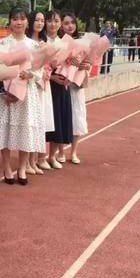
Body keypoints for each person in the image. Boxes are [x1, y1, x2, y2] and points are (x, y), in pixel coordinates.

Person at [0, 6, 45, 184]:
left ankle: (22, 168)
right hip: (5, 95)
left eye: (22, 18)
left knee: (25, 129)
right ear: (10, 22)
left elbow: (41, 71)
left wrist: (31, 74)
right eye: (15, 18)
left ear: (27, 22)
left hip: (27, 95)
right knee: (5, 129)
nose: (18, 22)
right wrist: (4, 86)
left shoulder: (34, 45)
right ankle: (7, 167)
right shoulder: (1, 44)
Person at [61, 12, 91, 164]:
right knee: (62, 117)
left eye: (72, 22)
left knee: (77, 117)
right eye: (66, 23)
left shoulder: (82, 44)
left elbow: (89, 63)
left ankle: (73, 152)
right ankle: (60, 152)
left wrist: (87, 65)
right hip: (62, 84)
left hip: (77, 85)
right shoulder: (58, 43)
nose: (70, 26)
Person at [45, 10, 73, 168]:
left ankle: (52, 156)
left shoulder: (65, 43)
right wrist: (51, 77)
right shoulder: (41, 41)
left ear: (60, 23)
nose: (52, 24)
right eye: (49, 21)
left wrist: (70, 75)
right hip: (46, 84)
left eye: (56, 21)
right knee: (46, 120)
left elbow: (70, 64)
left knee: (58, 120)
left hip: (62, 85)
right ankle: (39, 157)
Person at [27, 11, 53, 173]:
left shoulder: (45, 41)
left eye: (42, 20)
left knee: (39, 122)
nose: (40, 23)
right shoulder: (26, 42)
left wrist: (46, 72)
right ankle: (28, 162)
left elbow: (49, 63)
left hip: (43, 85)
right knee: (31, 123)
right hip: (30, 84)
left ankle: (34, 160)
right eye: (36, 20)